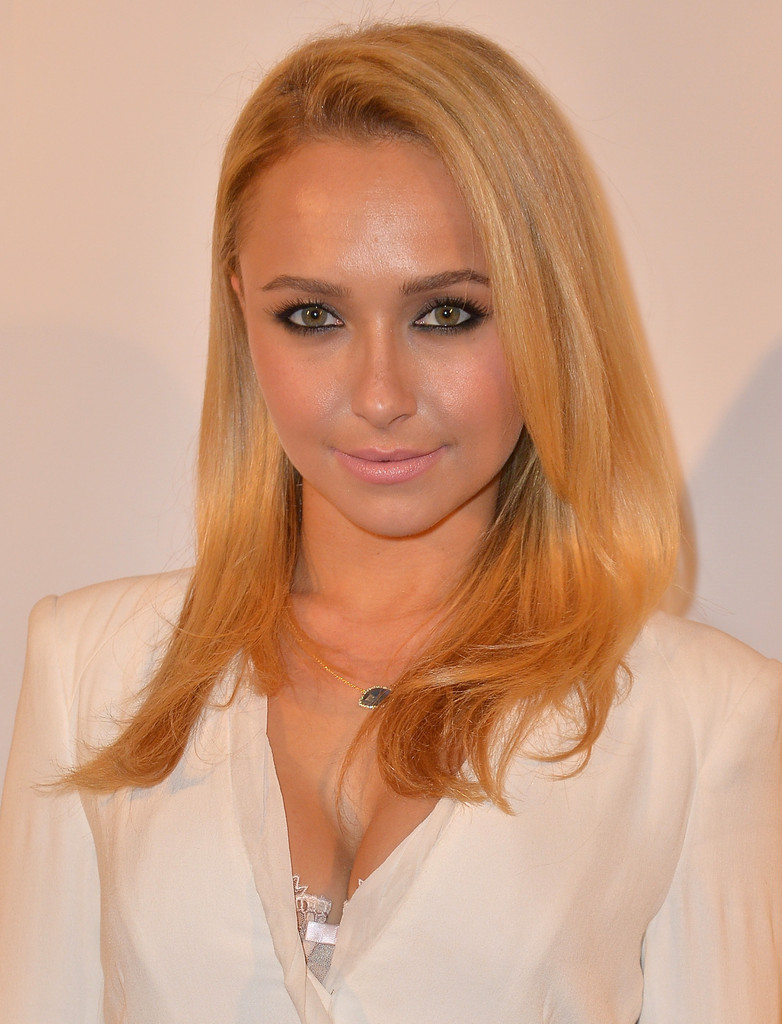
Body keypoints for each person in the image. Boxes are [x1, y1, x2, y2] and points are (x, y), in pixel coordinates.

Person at [0, 21, 779, 1024]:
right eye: (312, 316)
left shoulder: (702, 721)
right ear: (241, 309)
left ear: (549, 312)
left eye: (446, 313)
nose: (379, 395)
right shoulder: (91, 671)